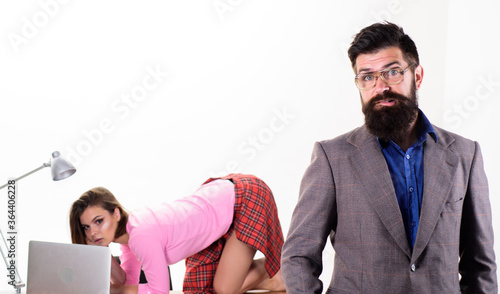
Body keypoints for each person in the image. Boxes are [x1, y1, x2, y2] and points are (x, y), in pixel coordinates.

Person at [281, 22, 497, 293]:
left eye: (392, 72)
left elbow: (481, 265)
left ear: (417, 76)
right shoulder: (332, 158)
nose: (380, 87)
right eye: (367, 77)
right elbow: (299, 256)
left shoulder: (465, 154)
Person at [69, 173, 285, 294]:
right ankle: (272, 279)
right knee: (198, 290)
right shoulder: (128, 240)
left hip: (244, 197)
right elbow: (128, 283)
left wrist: (114, 291)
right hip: (222, 201)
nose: (93, 232)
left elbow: (159, 291)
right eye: (86, 227)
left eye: (98, 221)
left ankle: (278, 270)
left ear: (116, 213)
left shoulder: (141, 236)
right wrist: (101, 252)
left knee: (223, 289)